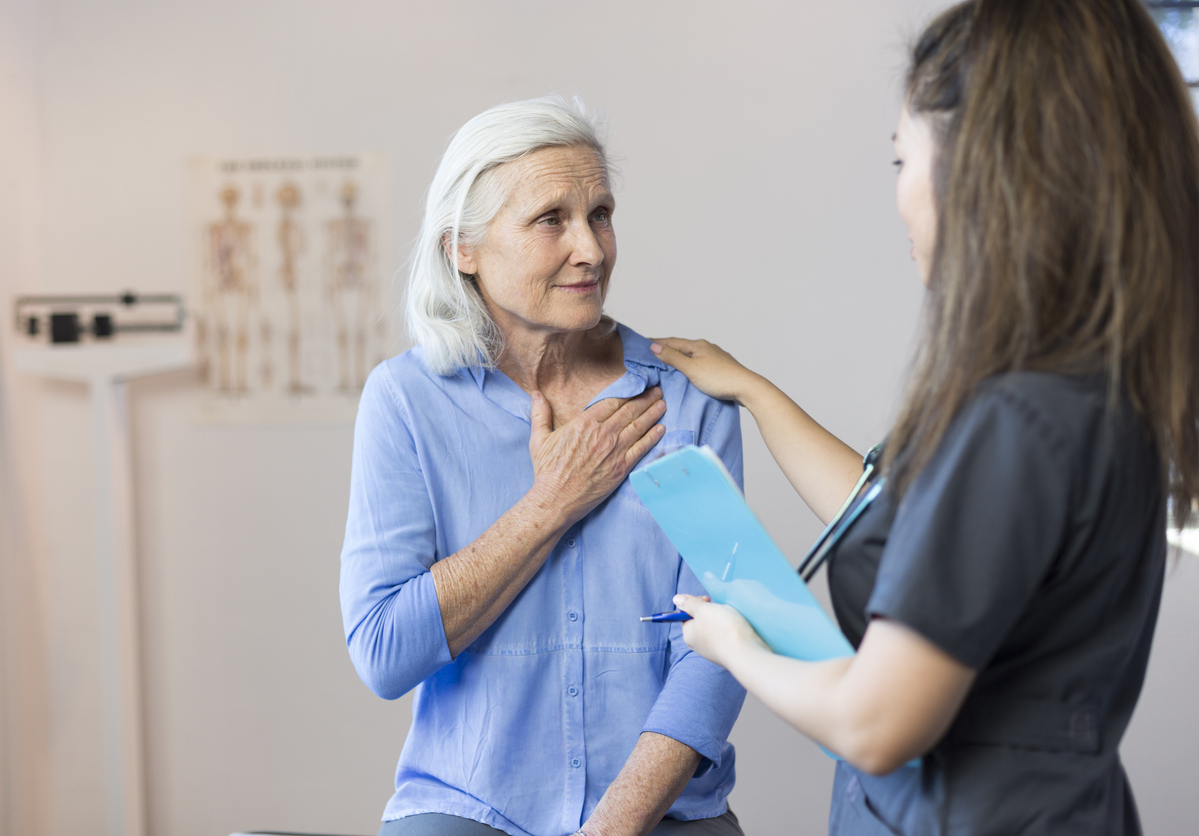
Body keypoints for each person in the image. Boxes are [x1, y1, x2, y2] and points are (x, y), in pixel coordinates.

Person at [654, 1, 1199, 833]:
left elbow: (877, 724)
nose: (900, 196)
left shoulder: (1017, 419)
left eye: (903, 160)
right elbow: (911, 523)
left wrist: (736, 647)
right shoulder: (1093, 389)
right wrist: (757, 393)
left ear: (983, 172)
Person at [339, 97, 747, 836]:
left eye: (600, 214)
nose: (590, 249)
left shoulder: (686, 399)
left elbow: (723, 644)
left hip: (662, 816)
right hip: (466, 808)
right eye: (550, 218)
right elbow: (383, 651)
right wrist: (550, 504)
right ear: (462, 247)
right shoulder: (405, 402)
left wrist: (616, 824)